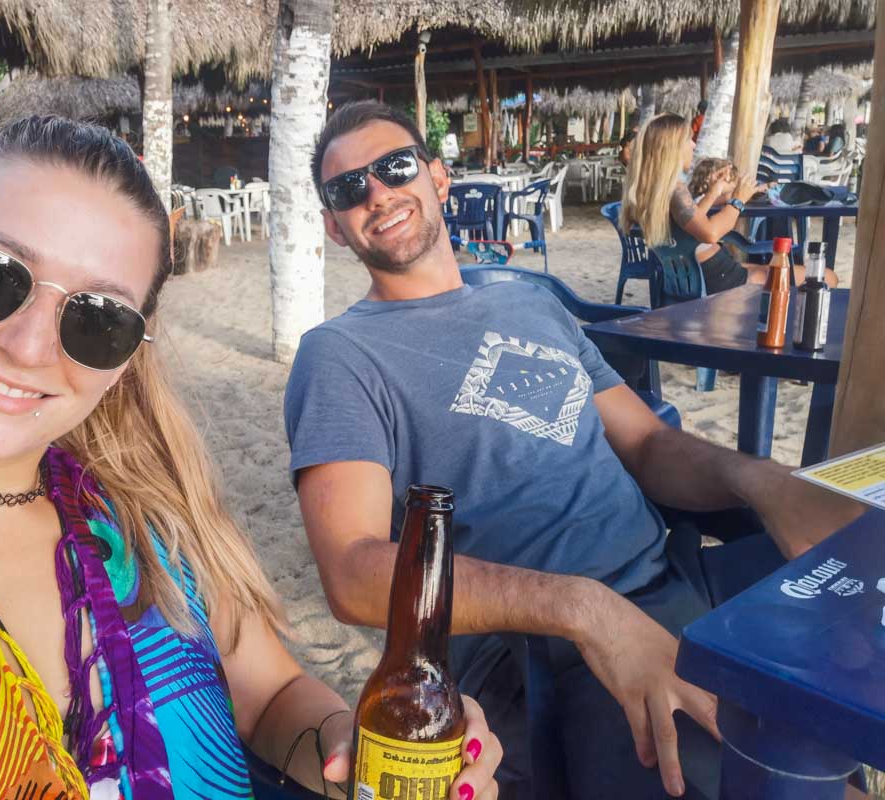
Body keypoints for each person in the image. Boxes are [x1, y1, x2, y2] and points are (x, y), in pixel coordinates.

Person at [0, 117, 503, 800]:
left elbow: (273, 696)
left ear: (127, 354)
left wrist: (346, 749)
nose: (30, 345)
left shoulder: (148, 524)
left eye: (97, 320)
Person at [284, 100, 865, 799]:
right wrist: (582, 609)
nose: (376, 193)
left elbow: (647, 443)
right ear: (332, 226)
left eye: (394, 168)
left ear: (439, 178)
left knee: (831, 743)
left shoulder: (528, 301)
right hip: (540, 656)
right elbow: (351, 574)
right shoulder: (340, 355)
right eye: (349, 189)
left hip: (680, 587)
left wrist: (765, 482)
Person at [621, 113, 836, 293]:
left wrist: (714, 191)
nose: (693, 144)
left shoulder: (652, 191)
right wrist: (738, 200)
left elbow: (690, 222)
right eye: (688, 139)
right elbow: (710, 233)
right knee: (826, 276)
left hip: (697, 276)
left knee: (769, 268)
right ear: (672, 148)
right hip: (721, 280)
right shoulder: (675, 190)